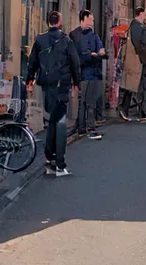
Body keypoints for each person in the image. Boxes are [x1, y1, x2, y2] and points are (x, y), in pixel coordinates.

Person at [26, 11, 81, 177]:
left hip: (47, 85)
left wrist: (30, 79)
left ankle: (50, 159)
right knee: (60, 123)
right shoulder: (66, 40)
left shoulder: (40, 40)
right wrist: (77, 82)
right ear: (60, 21)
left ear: (48, 21)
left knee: (52, 120)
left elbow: (32, 61)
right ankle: (59, 163)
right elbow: (75, 62)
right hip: (62, 85)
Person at [70, 10, 106, 139]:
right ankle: (89, 128)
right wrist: (90, 55)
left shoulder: (94, 35)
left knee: (89, 100)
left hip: (94, 72)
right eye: (90, 20)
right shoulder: (74, 35)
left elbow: (101, 50)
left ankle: (82, 128)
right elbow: (74, 56)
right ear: (83, 19)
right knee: (86, 102)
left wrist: (100, 53)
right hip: (83, 72)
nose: (92, 22)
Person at [119, 7, 146, 122]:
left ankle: (128, 109)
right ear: (140, 14)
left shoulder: (132, 26)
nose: (145, 16)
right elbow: (142, 42)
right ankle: (138, 112)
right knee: (139, 86)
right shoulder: (139, 27)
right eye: (144, 14)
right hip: (138, 60)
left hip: (134, 60)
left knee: (133, 86)